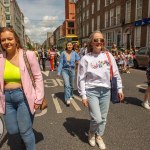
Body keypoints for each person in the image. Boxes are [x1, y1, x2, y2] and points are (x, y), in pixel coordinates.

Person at [77, 30, 124, 149]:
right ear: (91, 43)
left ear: (103, 42)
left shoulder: (108, 56)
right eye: (96, 40)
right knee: (97, 118)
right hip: (91, 91)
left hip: (106, 91)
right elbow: (81, 78)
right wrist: (83, 95)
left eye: (101, 40)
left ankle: (99, 136)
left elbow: (116, 73)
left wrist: (119, 89)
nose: (99, 42)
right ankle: (91, 133)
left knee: (103, 117)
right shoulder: (85, 58)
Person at [0, 27, 44, 150]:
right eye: (3, 40)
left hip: (23, 96)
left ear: (16, 40)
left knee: (25, 131)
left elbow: (38, 77)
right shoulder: (0, 58)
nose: (6, 42)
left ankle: (28, 142)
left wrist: (38, 98)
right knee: (12, 130)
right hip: (7, 99)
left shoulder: (27, 55)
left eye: (10, 38)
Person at [57, 42, 80, 106]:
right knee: (67, 84)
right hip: (65, 70)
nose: (69, 46)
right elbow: (61, 63)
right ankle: (67, 99)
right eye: (68, 45)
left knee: (71, 85)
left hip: (72, 70)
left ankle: (71, 94)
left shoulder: (74, 53)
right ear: (66, 46)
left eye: (70, 45)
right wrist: (59, 72)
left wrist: (78, 62)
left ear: (72, 46)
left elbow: (78, 60)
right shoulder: (63, 53)